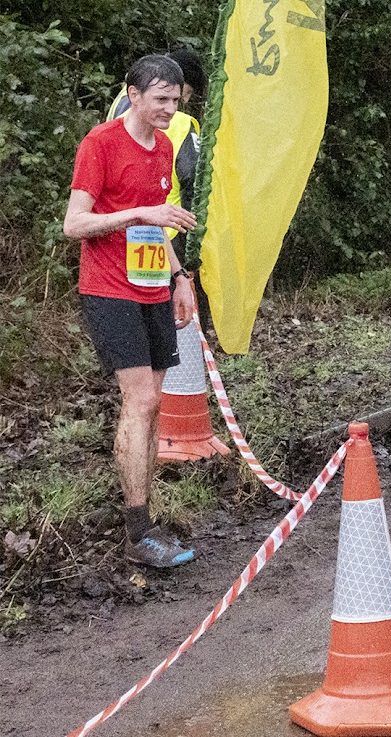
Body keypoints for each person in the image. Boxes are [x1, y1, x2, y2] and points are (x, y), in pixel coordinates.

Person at [64, 55, 199, 568]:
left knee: (153, 405)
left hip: (152, 289)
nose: (170, 107)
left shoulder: (164, 147)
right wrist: (143, 211)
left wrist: (179, 278)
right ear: (133, 94)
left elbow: (155, 228)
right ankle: (137, 531)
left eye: (176, 98)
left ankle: (145, 524)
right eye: (160, 98)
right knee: (140, 401)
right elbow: (74, 224)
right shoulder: (100, 143)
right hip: (107, 288)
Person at [108, 48, 210, 326]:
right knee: (165, 313)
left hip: (120, 226)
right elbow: (192, 178)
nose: (176, 106)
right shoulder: (180, 122)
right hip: (166, 228)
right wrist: (193, 241)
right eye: (181, 96)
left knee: (132, 309)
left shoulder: (121, 102)